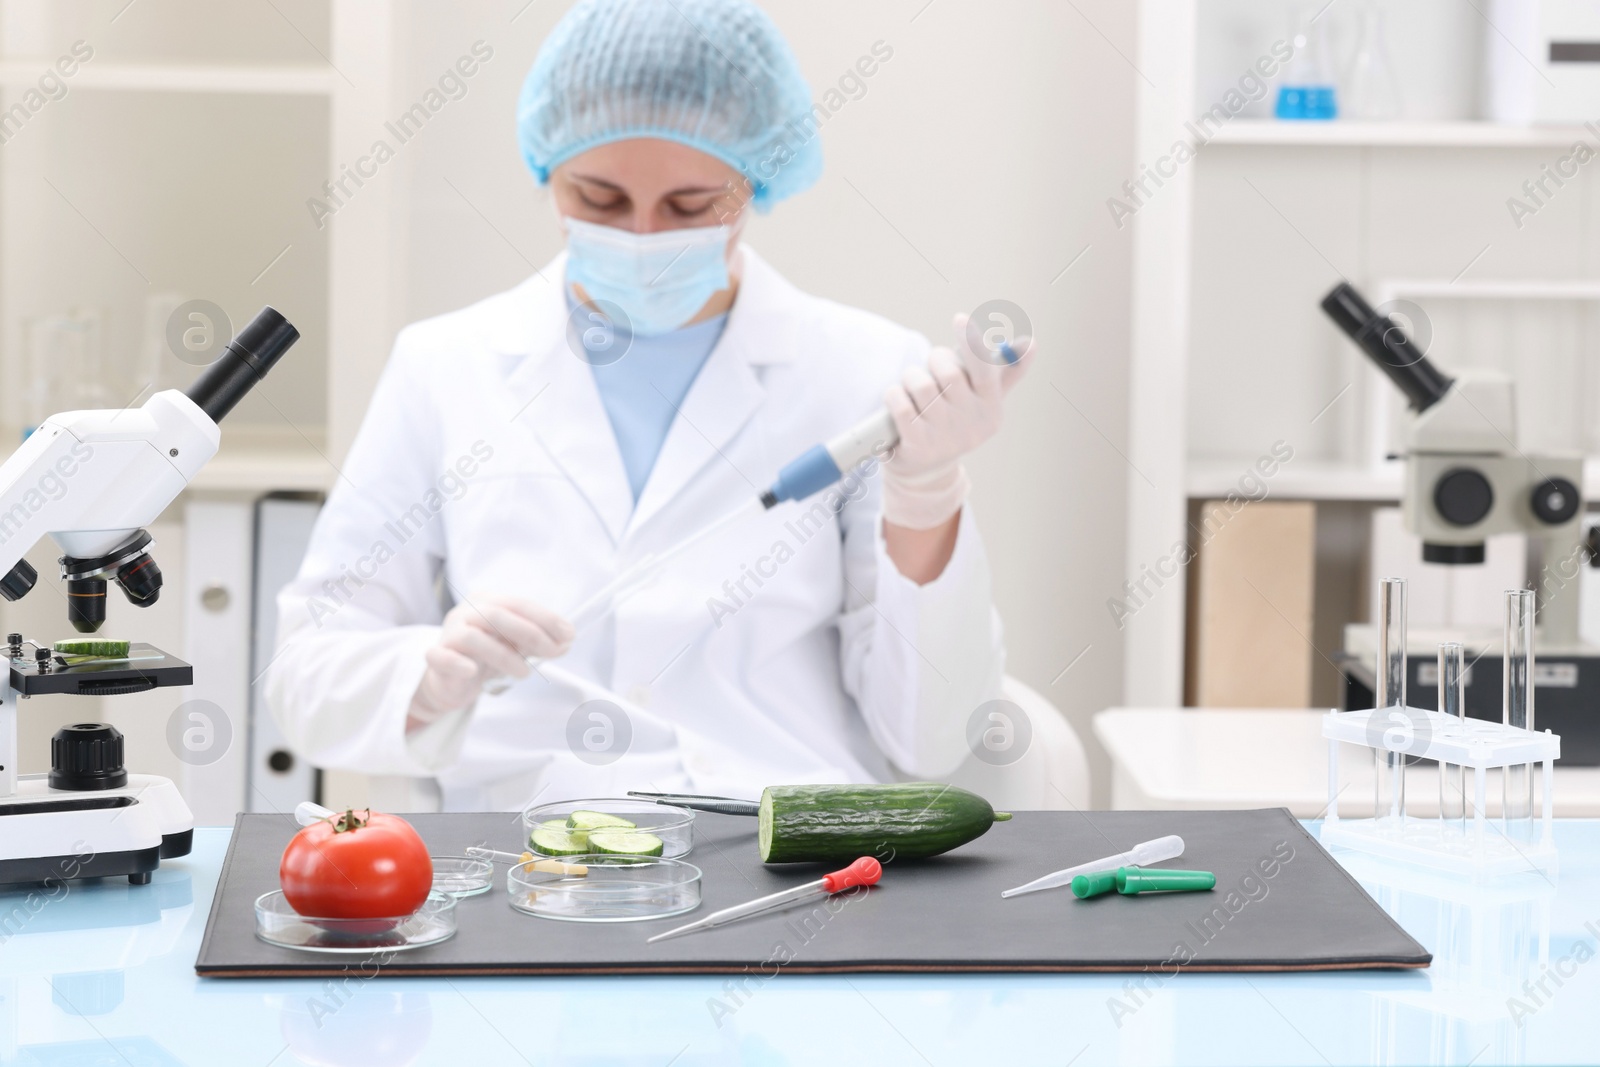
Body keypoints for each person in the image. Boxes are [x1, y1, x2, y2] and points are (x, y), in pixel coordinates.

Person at [266, 0, 1034, 811]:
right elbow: (307, 676)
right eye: (598, 199)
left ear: (756, 181)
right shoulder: (445, 365)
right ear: (546, 171)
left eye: (692, 206)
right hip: (529, 860)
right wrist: (428, 673)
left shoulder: (866, 370)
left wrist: (926, 493)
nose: (640, 235)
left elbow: (933, 735)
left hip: (782, 849)